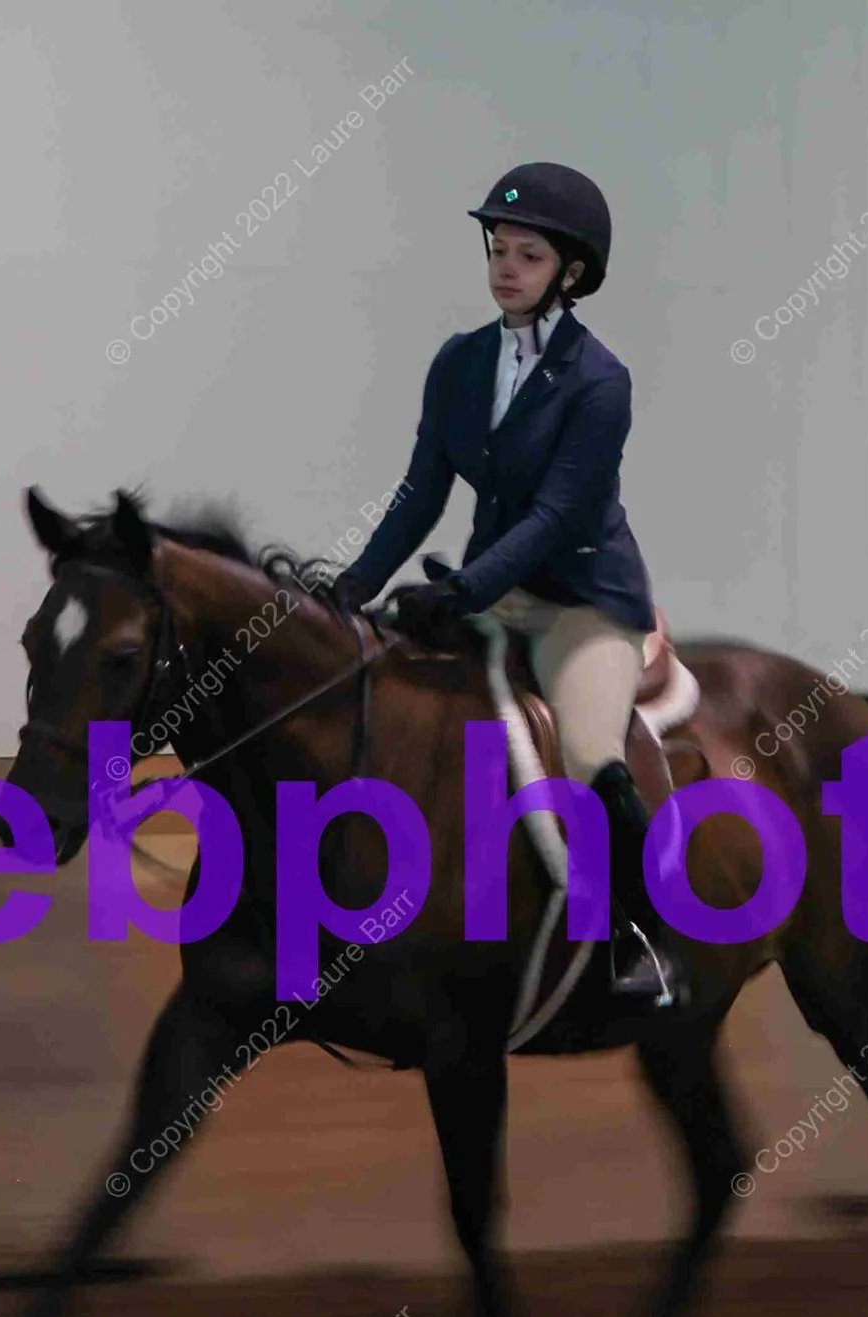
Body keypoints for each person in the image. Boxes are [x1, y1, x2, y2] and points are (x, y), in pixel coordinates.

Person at [329, 161, 688, 1012]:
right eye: (499, 249)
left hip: (581, 603)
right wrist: (353, 585)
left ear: (570, 272)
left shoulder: (600, 380)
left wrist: (463, 591)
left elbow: (557, 514)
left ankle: (645, 935)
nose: (507, 268)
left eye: (529, 255)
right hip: (489, 589)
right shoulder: (459, 363)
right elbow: (421, 491)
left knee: (591, 756)